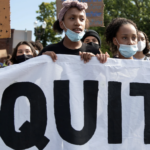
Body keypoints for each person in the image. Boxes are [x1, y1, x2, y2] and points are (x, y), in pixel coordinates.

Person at [39, 0, 108, 63]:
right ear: (62, 24)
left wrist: (99, 61)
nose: (78, 23)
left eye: (82, 19)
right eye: (72, 18)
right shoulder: (49, 50)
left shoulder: (94, 52)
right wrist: (41, 60)